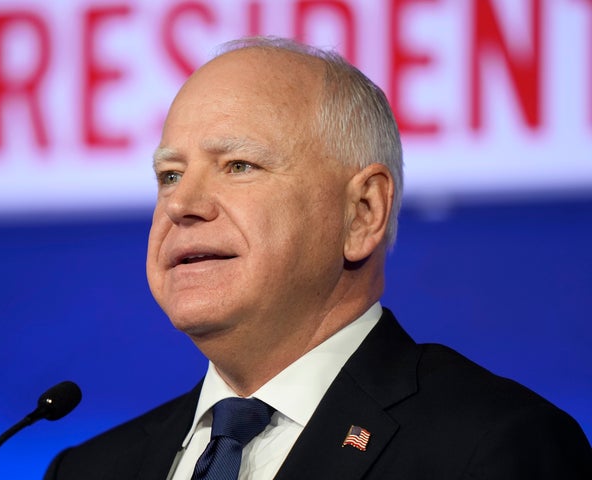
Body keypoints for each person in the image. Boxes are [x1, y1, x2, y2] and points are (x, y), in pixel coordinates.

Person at [44, 37, 591, 479]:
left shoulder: (490, 448)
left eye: (238, 165)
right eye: (169, 175)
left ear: (362, 213)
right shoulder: (88, 469)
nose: (181, 205)